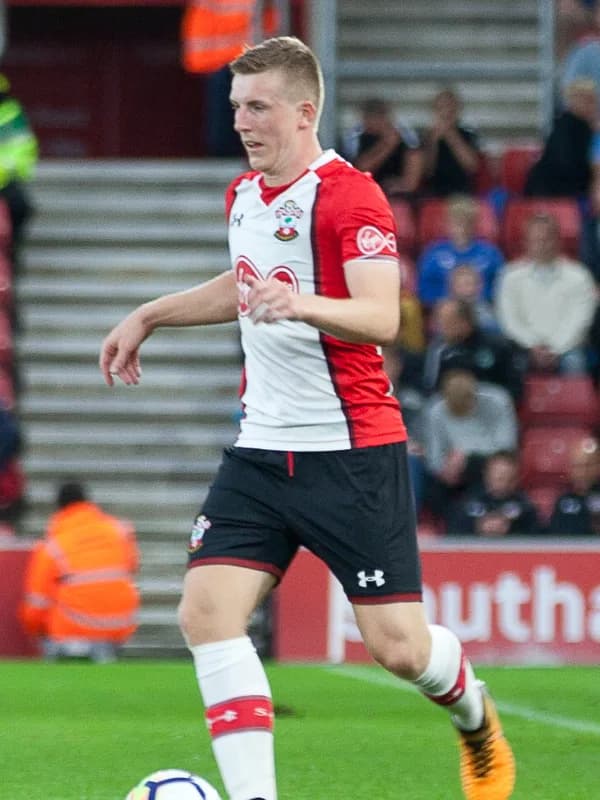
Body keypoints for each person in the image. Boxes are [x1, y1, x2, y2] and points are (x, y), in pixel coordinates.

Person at [99, 36, 515, 800]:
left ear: (304, 111)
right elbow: (245, 284)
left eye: (257, 107)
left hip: (351, 451)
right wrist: (151, 313)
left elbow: (382, 315)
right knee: (206, 613)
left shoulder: (351, 196)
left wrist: (302, 304)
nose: (242, 122)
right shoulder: (244, 194)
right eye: (236, 107)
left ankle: (472, 710)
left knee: (398, 650)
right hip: (261, 451)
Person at [19, 480, 140, 662]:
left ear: (59, 508)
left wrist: (37, 630)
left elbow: (36, 605)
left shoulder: (53, 546)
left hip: (71, 630)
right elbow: (131, 567)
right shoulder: (120, 532)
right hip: (119, 625)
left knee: (49, 601)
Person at [495, 211, 597, 375]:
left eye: (547, 239)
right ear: (526, 242)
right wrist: (533, 345)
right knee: (512, 364)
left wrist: (555, 348)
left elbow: (580, 320)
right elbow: (509, 319)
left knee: (575, 362)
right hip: (523, 347)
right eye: (536, 240)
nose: (542, 245)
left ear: (558, 241)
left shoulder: (579, 276)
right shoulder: (510, 276)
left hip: (567, 348)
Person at [423, 369, 519, 518]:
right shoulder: (436, 410)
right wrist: (445, 469)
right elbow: (434, 457)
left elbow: (507, 447)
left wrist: (466, 456)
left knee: (487, 471)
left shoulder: (498, 400)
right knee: (433, 490)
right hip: (451, 469)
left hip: (488, 462)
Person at [422, 298, 523, 402]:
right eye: (440, 322)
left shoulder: (497, 346)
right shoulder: (440, 350)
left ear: (465, 322)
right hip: (452, 408)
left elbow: (514, 388)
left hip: (493, 405)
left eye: (447, 322)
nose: (442, 328)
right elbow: (432, 389)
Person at [416, 194, 505, 308]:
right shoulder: (433, 253)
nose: (462, 227)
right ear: (446, 224)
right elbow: (423, 289)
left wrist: (478, 295)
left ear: (475, 224)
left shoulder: (490, 253)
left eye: (467, 221)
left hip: (481, 308)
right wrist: (448, 297)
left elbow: (501, 288)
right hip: (444, 309)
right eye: (456, 221)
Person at [524, 78, 597, 199]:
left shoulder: (585, 127)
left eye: (592, 100)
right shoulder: (565, 126)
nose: (591, 105)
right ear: (572, 101)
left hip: (564, 188)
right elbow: (566, 166)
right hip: (551, 192)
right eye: (586, 99)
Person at [447, 451, 540, 537]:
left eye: (509, 477)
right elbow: (453, 535)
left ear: (516, 479)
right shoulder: (468, 502)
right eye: (499, 477)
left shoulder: (525, 506)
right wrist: (478, 527)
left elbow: (536, 539)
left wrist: (510, 529)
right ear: (486, 474)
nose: (503, 483)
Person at [0, 73, 38, 272]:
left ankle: (10, 254)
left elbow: (23, 147)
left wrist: (9, 170)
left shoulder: (10, 112)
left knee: (20, 207)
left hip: (4, 180)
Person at [351, 98, 424, 198]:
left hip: (399, 195)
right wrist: (387, 145)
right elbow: (361, 169)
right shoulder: (359, 138)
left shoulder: (405, 136)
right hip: (369, 192)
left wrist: (401, 185)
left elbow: (413, 172)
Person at [421, 86, 482, 197]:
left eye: (450, 107)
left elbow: (471, 166)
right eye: (441, 108)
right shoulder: (428, 136)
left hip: (461, 192)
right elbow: (426, 172)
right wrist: (433, 142)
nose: (446, 112)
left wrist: (450, 135)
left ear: (457, 110)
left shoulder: (468, 133)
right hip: (434, 192)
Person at [547, 435, 600, 535]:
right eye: (578, 466)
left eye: (588, 465)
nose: (583, 472)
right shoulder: (562, 501)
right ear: (570, 469)